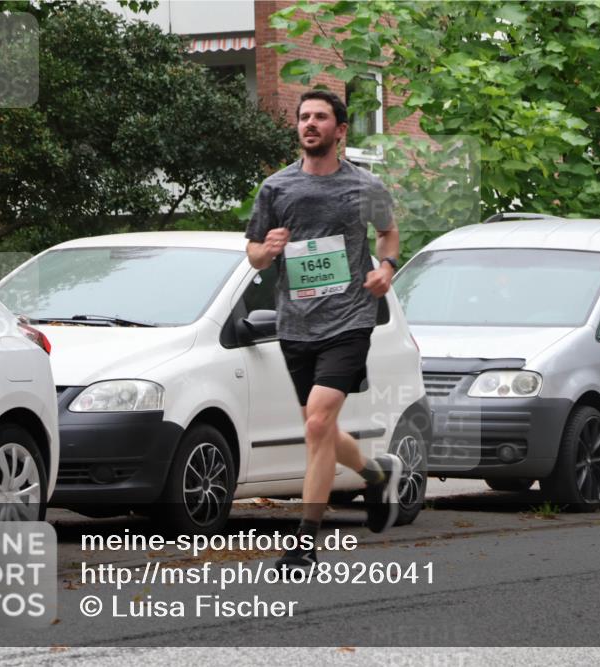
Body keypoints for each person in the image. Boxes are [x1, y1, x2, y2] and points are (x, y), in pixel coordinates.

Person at [245, 89, 403, 573]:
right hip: (296, 323)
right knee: (323, 428)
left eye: (320, 117)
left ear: (340, 129)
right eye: (304, 117)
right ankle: (376, 476)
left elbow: (388, 233)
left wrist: (386, 268)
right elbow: (253, 254)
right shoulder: (276, 188)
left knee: (315, 425)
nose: (310, 124)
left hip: (350, 319)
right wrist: (268, 251)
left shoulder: (364, 185)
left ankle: (304, 541)